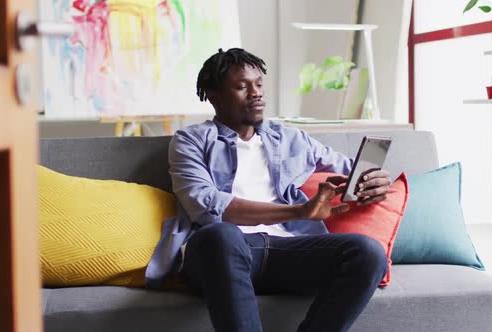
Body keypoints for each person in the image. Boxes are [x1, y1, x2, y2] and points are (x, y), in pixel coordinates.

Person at [145, 48, 392, 332]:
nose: (256, 93)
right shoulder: (191, 141)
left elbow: (351, 169)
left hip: (287, 251)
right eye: (242, 86)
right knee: (221, 234)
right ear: (214, 96)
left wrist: (374, 180)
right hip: (220, 254)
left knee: (367, 253)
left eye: (259, 84)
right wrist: (299, 210)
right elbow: (207, 205)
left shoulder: (289, 137)